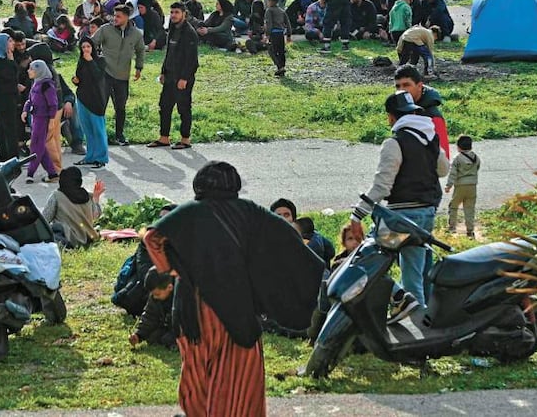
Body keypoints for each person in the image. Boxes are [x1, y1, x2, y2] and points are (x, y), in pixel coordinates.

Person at [144, 161, 323, 417]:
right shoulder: (250, 212)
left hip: (193, 307)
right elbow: (290, 240)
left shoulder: (192, 211)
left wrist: (174, 269)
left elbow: (152, 238)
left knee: (196, 375)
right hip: (236, 307)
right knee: (239, 380)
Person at [344, 91, 448, 317]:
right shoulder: (430, 138)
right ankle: (419, 323)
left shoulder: (394, 142)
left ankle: (401, 302)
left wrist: (357, 215)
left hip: (401, 217)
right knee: (414, 274)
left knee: (367, 257)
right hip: (427, 211)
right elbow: (444, 169)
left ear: (391, 117)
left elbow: (383, 186)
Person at [93, 4, 146, 146]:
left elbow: (141, 50)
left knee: (120, 107)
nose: (115, 18)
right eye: (114, 15)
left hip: (123, 76)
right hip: (105, 73)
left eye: (118, 16)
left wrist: (139, 67)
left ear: (127, 17)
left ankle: (119, 135)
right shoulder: (105, 29)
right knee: (101, 106)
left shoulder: (136, 34)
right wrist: (95, 61)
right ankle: (99, 135)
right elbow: (91, 43)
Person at [148, 2, 198, 150]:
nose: (174, 15)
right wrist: (163, 72)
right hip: (169, 76)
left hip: (182, 78)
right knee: (164, 106)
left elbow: (192, 60)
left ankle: (185, 139)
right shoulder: (173, 29)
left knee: (183, 108)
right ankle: (164, 138)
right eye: (172, 12)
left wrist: (184, 78)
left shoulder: (189, 33)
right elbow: (169, 53)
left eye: (177, 12)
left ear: (184, 13)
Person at [72, 36, 109, 168]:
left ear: (93, 48)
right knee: (87, 130)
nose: (86, 50)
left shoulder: (100, 60)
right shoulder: (81, 62)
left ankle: (101, 158)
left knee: (98, 130)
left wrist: (91, 61)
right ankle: (90, 156)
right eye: (83, 47)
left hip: (96, 100)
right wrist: (75, 80)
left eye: (88, 47)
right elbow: (80, 79)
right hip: (83, 99)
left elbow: (99, 77)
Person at [43, 167, 103, 248]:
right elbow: (96, 216)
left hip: (67, 239)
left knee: (53, 228)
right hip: (88, 238)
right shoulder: (88, 195)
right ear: (79, 181)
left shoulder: (57, 196)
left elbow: (45, 219)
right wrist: (96, 197)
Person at [22, 59, 61, 183]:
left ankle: (30, 172)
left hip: (43, 119)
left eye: (32, 69)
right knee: (40, 147)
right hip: (35, 118)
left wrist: (51, 120)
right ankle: (52, 173)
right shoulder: (36, 83)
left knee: (35, 145)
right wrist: (25, 110)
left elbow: (53, 104)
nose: (29, 71)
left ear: (39, 70)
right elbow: (30, 99)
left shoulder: (47, 85)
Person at [129, 268, 177, 349]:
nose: (154, 297)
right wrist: (138, 334)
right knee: (152, 337)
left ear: (170, 287)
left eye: (157, 294)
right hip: (167, 325)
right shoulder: (155, 297)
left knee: (167, 339)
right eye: (153, 294)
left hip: (183, 329)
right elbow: (149, 315)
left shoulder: (182, 297)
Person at [445, 135, 481, 238]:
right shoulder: (475, 157)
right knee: (469, 208)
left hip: (460, 186)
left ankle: (452, 228)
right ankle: (470, 231)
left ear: (458, 147)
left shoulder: (457, 158)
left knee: (454, 206)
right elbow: (477, 167)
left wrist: (449, 185)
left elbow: (453, 173)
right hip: (472, 186)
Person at [264, 0, 291, 77]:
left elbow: (269, 24)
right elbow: (288, 23)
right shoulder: (282, 11)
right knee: (281, 51)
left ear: (270, 1)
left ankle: (279, 67)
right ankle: (282, 66)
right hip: (281, 34)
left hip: (273, 33)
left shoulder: (269, 11)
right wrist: (289, 35)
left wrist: (267, 34)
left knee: (273, 50)